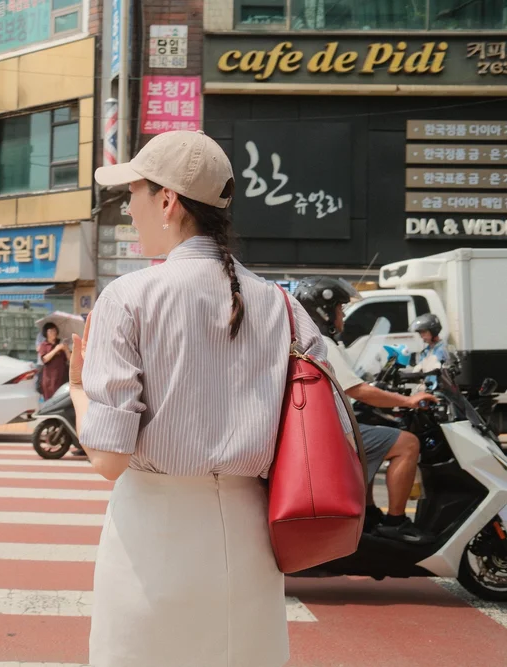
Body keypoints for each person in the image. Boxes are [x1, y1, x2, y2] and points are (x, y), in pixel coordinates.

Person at [71, 130, 334, 667]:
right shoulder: (281, 305)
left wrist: (77, 390)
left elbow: (108, 460)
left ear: (166, 200)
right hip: (251, 531)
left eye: (133, 194)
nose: (129, 211)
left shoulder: (129, 297)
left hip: (154, 531)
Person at [294, 276, 435, 544]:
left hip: (327, 427)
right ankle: (396, 521)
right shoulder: (321, 343)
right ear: (324, 312)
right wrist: (407, 401)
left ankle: (369, 514)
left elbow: (351, 382)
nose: (342, 316)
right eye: (339, 309)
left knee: (375, 440)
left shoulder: (316, 342)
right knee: (407, 444)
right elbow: (356, 390)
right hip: (332, 435)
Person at [37, 322, 69, 400]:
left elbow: (70, 359)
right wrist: (56, 349)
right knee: (50, 401)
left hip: (62, 378)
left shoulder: (61, 344)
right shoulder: (44, 345)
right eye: (50, 331)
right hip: (49, 380)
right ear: (46, 333)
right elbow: (44, 359)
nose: (53, 333)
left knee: (61, 400)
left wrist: (66, 349)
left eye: (54, 331)